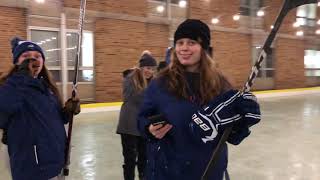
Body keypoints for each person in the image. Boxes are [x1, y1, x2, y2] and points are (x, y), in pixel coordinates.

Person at [137, 19, 261, 180]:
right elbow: (141, 118)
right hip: (168, 170)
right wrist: (148, 129)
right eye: (180, 43)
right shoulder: (160, 83)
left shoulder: (221, 85)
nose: (184, 48)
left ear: (204, 48)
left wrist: (242, 122)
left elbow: (231, 136)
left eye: (191, 42)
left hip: (208, 171)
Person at [0, 37, 81, 180]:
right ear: (17, 62)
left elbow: (55, 119)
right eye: (26, 56)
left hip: (55, 160)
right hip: (32, 167)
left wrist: (67, 112)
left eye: (37, 56)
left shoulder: (47, 87)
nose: (33, 60)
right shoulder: (9, 86)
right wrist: (23, 77)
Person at [116, 51, 157, 180]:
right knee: (130, 160)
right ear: (141, 67)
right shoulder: (130, 78)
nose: (149, 71)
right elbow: (134, 98)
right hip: (129, 126)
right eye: (147, 68)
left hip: (143, 126)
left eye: (152, 69)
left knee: (144, 159)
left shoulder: (152, 82)